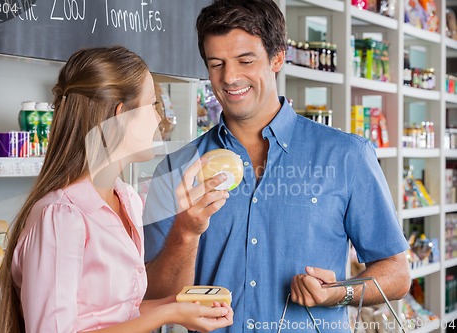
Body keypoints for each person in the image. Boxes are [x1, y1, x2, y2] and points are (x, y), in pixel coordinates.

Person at [143, 0, 411, 332]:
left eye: (245, 60)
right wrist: (184, 233)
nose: (229, 77)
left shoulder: (346, 155)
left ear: (278, 57)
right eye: (216, 64)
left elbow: (397, 273)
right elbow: (151, 297)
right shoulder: (176, 169)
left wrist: (338, 293)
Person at [0, 46, 233, 333]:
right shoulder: (61, 216)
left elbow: (115, 313)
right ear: (121, 116)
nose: (159, 118)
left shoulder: (127, 199)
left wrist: (175, 306)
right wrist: (164, 314)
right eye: (153, 104)